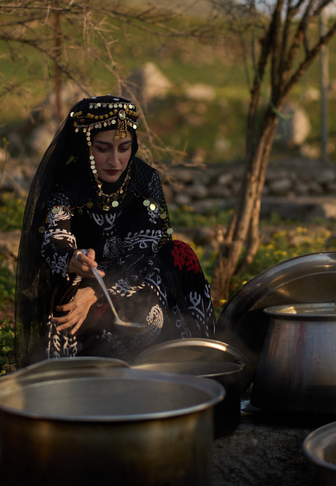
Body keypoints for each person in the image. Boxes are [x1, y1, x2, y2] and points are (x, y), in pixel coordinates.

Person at [15, 95, 216, 366]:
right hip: (82, 280)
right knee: (64, 281)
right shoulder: (67, 183)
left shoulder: (144, 179)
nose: (115, 160)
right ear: (85, 145)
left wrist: (98, 292)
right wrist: (74, 260)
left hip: (133, 278)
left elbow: (145, 251)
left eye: (124, 148)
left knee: (178, 252)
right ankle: (79, 365)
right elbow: (55, 239)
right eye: (103, 148)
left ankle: (198, 358)